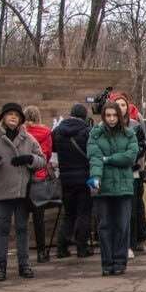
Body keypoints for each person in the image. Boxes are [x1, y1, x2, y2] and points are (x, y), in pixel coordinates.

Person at [0, 101, 46, 281]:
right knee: (2, 229)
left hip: (23, 191)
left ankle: (24, 264)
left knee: (23, 228)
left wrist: (29, 159)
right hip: (2, 191)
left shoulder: (28, 138)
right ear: (3, 118)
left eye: (17, 115)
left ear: (21, 119)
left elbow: (42, 160)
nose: (13, 117)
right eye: (10, 114)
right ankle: (1, 266)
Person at [87, 102, 139, 276]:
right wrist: (95, 178)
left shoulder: (129, 134)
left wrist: (107, 159)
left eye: (114, 115)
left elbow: (130, 157)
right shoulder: (95, 134)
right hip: (104, 189)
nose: (111, 119)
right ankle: (107, 263)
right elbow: (94, 159)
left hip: (124, 188)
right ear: (103, 116)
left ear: (120, 116)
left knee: (122, 225)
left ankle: (120, 261)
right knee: (104, 226)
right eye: (108, 115)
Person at [51, 104, 93, 259]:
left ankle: (62, 247)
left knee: (69, 214)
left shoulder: (57, 132)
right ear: (84, 116)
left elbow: (53, 152)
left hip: (66, 178)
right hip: (85, 177)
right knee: (84, 212)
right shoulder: (87, 132)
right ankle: (82, 248)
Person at [110, 92, 146, 250]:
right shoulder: (108, 126)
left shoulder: (135, 126)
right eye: (117, 105)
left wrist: (132, 160)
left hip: (132, 172)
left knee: (132, 209)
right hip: (114, 173)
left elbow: (142, 147)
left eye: (123, 105)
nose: (121, 108)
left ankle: (132, 242)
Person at [22, 106, 55, 263]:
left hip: (22, 177)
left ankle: (24, 251)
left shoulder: (21, 132)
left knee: (22, 215)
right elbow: (47, 154)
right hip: (39, 176)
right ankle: (42, 251)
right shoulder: (46, 132)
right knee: (38, 217)